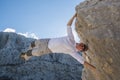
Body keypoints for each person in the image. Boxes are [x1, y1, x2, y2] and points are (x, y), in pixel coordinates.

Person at [21, 13, 96, 71]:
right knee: (34, 43)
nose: (81, 46)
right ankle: (29, 49)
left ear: (80, 50)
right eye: (82, 45)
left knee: (35, 53)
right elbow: (68, 25)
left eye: (82, 48)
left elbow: (82, 62)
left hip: (48, 49)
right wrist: (74, 16)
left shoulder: (73, 52)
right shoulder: (71, 38)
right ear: (81, 43)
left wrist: (94, 68)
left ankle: (25, 55)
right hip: (48, 40)